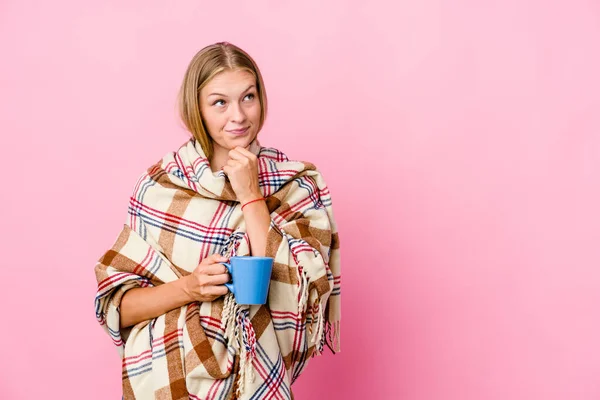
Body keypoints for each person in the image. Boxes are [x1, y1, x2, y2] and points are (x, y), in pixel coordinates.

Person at [94, 42, 341, 400]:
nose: (238, 116)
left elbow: (304, 299)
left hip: (254, 382)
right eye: (220, 102)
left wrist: (251, 194)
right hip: (165, 383)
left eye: (248, 97)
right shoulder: (161, 185)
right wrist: (190, 287)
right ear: (197, 109)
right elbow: (119, 309)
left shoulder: (295, 185)